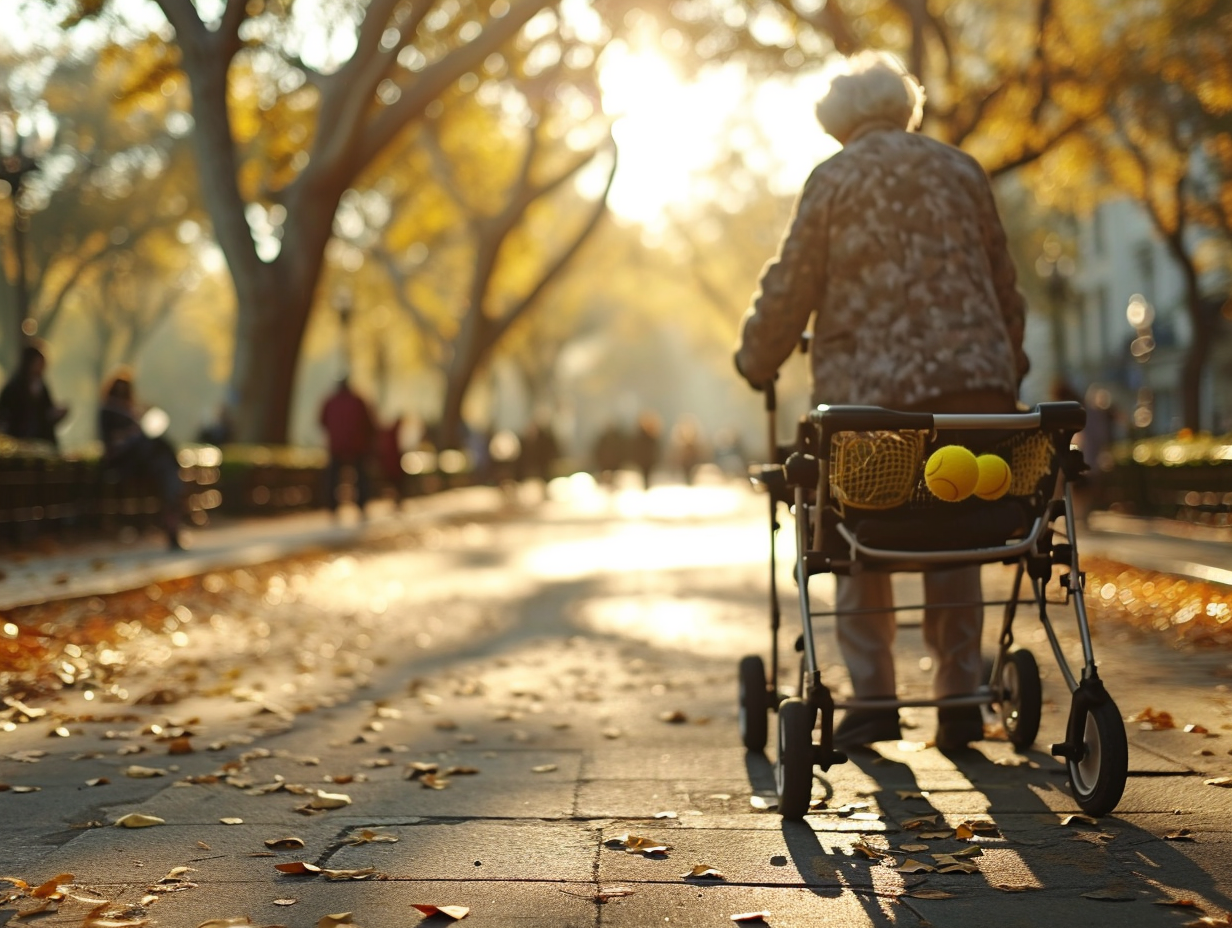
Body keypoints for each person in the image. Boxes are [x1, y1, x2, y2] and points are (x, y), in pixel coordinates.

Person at [734, 51, 1030, 751]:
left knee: (855, 529)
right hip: (975, 390)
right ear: (905, 108)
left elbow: (791, 287)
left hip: (870, 401)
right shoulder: (962, 170)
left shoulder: (833, 180)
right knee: (958, 527)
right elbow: (1003, 284)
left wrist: (757, 356)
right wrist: (1005, 363)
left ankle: (874, 697)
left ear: (838, 123)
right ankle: (960, 690)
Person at [98, 371, 184, 550]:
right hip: (125, 460)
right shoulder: (108, 411)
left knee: (162, 460)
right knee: (156, 444)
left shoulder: (132, 411)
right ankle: (172, 511)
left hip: (145, 463)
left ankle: (172, 512)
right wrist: (132, 433)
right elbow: (110, 441)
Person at [318, 377, 376, 518]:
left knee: (333, 476)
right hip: (357, 445)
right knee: (360, 475)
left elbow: (321, 421)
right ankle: (361, 504)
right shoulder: (358, 401)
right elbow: (369, 423)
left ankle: (332, 506)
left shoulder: (330, 401)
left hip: (337, 445)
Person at [0, 343, 69, 448]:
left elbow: (46, 412)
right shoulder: (14, 387)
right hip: (18, 440)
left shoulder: (42, 386)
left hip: (41, 439)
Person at [629, 411, 662, 490]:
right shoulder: (642, 435)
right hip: (643, 459)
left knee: (647, 475)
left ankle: (646, 487)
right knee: (644, 475)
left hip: (648, 459)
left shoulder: (651, 435)